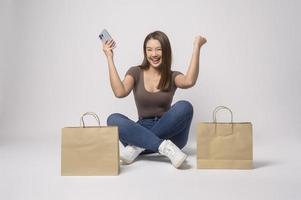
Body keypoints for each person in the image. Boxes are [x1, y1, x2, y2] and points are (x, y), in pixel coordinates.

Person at [102, 30, 206, 168]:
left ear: (166, 51)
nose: (154, 54)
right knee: (113, 119)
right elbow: (119, 92)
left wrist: (196, 47)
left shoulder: (172, 75)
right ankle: (163, 147)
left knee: (185, 106)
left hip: (171, 134)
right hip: (141, 129)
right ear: (145, 52)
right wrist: (109, 57)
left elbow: (189, 81)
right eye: (149, 50)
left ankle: (137, 147)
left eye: (158, 49)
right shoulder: (135, 72)